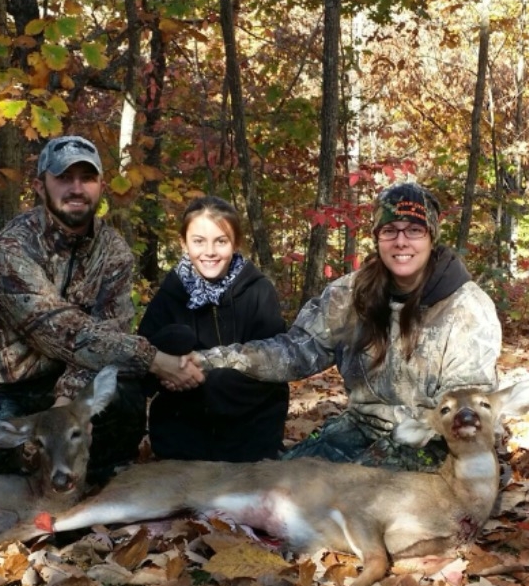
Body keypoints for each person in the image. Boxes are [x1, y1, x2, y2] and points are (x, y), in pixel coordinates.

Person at [0, 135, 203, 481]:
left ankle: (98, 477)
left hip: (62, 384)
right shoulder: (13, 247)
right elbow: (60, 329)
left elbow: (107, 337)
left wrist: (65, 408)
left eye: (87, 178)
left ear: (101, 186)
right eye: (64, 178)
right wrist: (157, 360)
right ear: (40, 185)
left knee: (123, 390)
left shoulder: (114, 252)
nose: (76, 188)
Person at [188, 182, 502, 471]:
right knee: (279, 480)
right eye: (390, 230)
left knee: (344, 500)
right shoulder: (351, 295)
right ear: (377, 237)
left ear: (432, 237)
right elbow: (294, 351)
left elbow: (467, 407)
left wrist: (396, 446)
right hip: (361, 427)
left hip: (435, 443)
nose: (401, 241)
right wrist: (209, 360)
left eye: (414, 231)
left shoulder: (466, 308)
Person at [138, 195, 289, 461]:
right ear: (183, 243)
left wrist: (197, 378)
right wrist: (166, 369)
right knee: (173, 338)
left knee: (257, 371)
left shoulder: (258, 291)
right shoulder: (171, 294)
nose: (209, 251)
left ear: (235, 244)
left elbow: (274, 364)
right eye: (199, 241)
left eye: (220, 241)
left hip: (250, 435)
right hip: (184, 439)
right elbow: (141, 364)